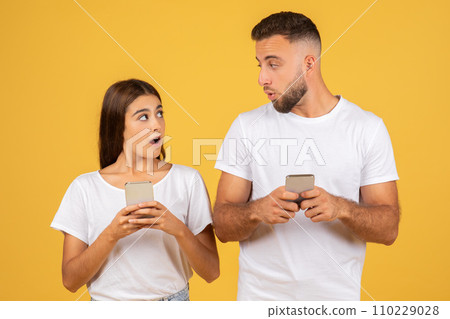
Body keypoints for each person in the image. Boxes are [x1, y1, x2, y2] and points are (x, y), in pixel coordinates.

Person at [213, 12, 399, 300]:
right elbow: (223, 226)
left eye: (273, 64)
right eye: (260, 65)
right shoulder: (246, 127)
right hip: (259, 303)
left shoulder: (367, 129)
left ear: (308, 64)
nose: (262, 77)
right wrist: (257, 210)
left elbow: (388, 229)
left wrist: (341, 208)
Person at [51, 79, 219, 301]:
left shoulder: (187, 180)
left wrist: (177, 228)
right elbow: (71, 281)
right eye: (143, 116)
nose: (157, 125)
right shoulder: (84, 188)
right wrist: (112, 234)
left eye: (159, 113)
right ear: (118, 126)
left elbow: (211, 272)